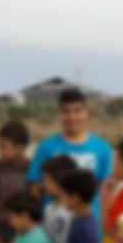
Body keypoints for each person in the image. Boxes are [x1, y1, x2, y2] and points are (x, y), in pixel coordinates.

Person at [28, 88, 113, 230]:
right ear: (59, 114)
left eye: (77, 111)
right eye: (66, 111)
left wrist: (104, 227)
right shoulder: (46, 147)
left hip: (88, 227)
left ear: (86, 112)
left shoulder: (102, 147)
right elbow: (35, 188)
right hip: (52, 229)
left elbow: (106, 192)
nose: (72, 117)